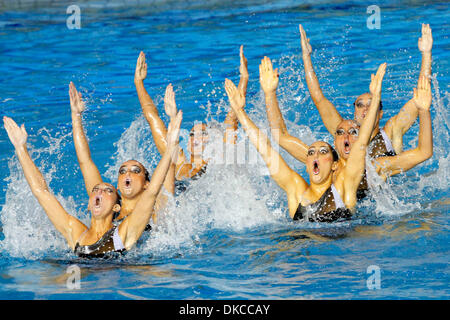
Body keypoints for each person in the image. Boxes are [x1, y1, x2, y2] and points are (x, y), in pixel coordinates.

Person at [2, 111, 182, 258]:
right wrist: (20, 149)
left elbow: (151, 193)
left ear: (116, 207)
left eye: (107, 190)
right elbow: (41, 192)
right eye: (96, 190)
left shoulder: (125, 232)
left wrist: (170, 148)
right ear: (89, 204)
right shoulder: (75, 232)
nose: (99, 192)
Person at [225, 62, 386, 222]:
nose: (315, 154)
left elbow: (362, 143)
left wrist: (376, 97)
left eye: (323, 151)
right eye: (311, 152)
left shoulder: (344, 185)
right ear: (307, 164)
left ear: (334, 165)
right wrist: (259, 100)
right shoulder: (296, 189)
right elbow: (265, 149)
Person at [260, 55, 433, 198]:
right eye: (340, 133)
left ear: (361, 139)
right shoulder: (325, 160)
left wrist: (424, 109)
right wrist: (269, 94)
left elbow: (423, 151)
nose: (346, 137)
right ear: (334, 142)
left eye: (352, 133)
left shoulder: (375, 166)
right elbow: (280, 135)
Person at [298, 23, 433, 156]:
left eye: (371, 104)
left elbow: (421, 97)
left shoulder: (391, 131)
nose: (365, 109)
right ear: (354, 111)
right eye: (360, 105)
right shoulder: (343, 133)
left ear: (380, 114)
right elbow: (319, 99)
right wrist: (306, 57)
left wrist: (426, 54)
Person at [134, 45, 249, 181]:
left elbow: (235, 111)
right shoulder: (178, 164)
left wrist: (244, 78)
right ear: (187, 144)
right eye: (192, 134)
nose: (196, 138)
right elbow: (153, 119)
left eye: (203, 134)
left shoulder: (220, 162)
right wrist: (138, 82)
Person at [69, 82, 174, 225]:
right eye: (122, 171)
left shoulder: (157, 206)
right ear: (117, 185)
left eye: (136, 171)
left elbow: (169, 157)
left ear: (147, 185)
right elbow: (85, 161)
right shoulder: (109, 207)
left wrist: (173, 120)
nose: (127, 174)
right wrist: (76, 117)